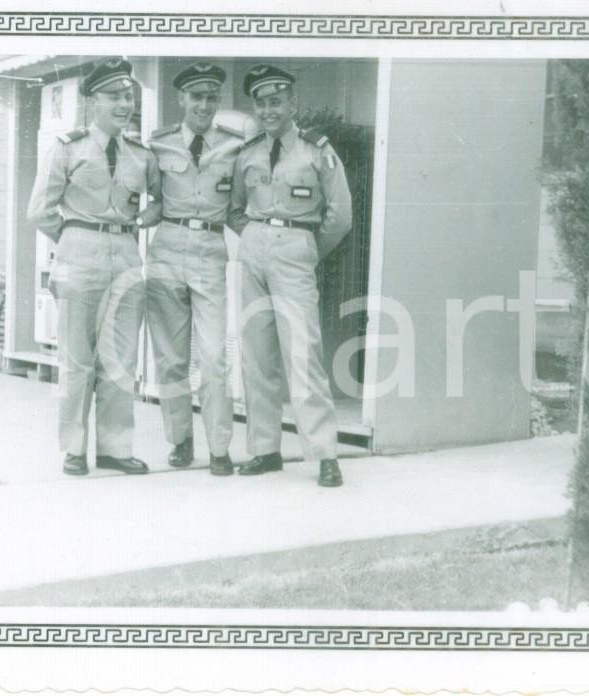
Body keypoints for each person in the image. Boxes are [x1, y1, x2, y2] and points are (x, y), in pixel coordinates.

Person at [27, 57, 161, 477]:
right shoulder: (68, 147)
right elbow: (40, 211)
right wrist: (74, 237)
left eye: (128, 96)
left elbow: (160, 200)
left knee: (120, 360)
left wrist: (142, 219)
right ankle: (73, 448)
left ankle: (115, 448)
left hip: (125, 254)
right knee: (77, 360)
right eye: (115, 97)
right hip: (79, 251)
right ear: (92, 102)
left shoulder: (141, 154)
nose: (124, 104)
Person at [228, 64, 352, 488]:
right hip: (254, 247)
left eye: (276, 102)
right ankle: (264, 449)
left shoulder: (317, 151)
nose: (268, 110)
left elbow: (339, 217)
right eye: (261, 104)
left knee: (303, 354)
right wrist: (256, 238)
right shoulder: (246, 154)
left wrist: (306, 250)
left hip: (297, 248)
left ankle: (324, 454)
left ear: (292, 104)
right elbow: (234, 208)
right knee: (256, 353)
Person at [145, 62, 255, 474]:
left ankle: (220, 447)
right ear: (181, 100)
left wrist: (266, 245)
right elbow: (151, 200)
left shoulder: (235, 148)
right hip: (167, 251)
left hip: (210, 251)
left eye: (211, 98)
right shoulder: (159, 146)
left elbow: (239, 211)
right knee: (171, 359)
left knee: (213, 357)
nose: (204, 105)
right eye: (197, 97)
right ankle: (180, 439)